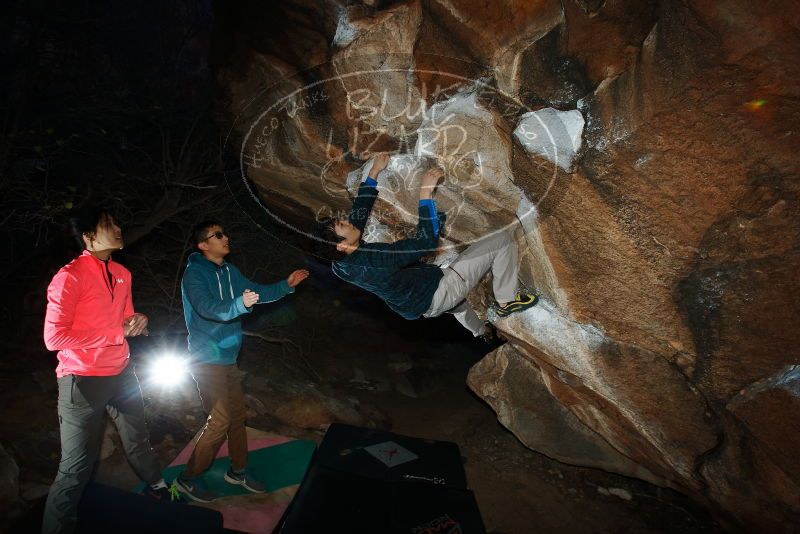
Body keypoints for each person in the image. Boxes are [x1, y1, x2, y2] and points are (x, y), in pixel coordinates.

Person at [42, 208, 171, 534]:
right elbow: (54, 337)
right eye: (108, 225)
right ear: (89, 237)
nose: (117, 228)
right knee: (75, 469)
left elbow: (126, 322)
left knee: (138, 440)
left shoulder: (123, 273)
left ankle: (160, 487)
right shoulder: (69, 276)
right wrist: (116, 333)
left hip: (122, 373)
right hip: (82, 380)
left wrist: (138, 322)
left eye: (116, 222)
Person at [319, 154, 538, 339]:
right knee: (502, 240)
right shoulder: (375, 262)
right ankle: (507, 301)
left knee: (458, 306)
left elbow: (359, 212)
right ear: (341, 246)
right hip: (437, 291)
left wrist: (375, 171)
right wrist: (425, 195)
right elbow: (424, 243)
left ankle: (481, 331)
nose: (348, 221)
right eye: (342, 225)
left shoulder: (340, 264)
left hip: (418, 304)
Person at [174, 221, 309, 502]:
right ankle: (187, 478)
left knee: (237, 418)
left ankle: (238, 471)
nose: (226, 237)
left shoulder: (230, 271)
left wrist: (287, 285)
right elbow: (207, 308)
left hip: (228, 360)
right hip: (204, 361)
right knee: (220, 421)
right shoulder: (194, 275)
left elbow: (258, 292)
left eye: (225, 232)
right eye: (218, 235)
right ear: (203, 245)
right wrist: (239, 304)